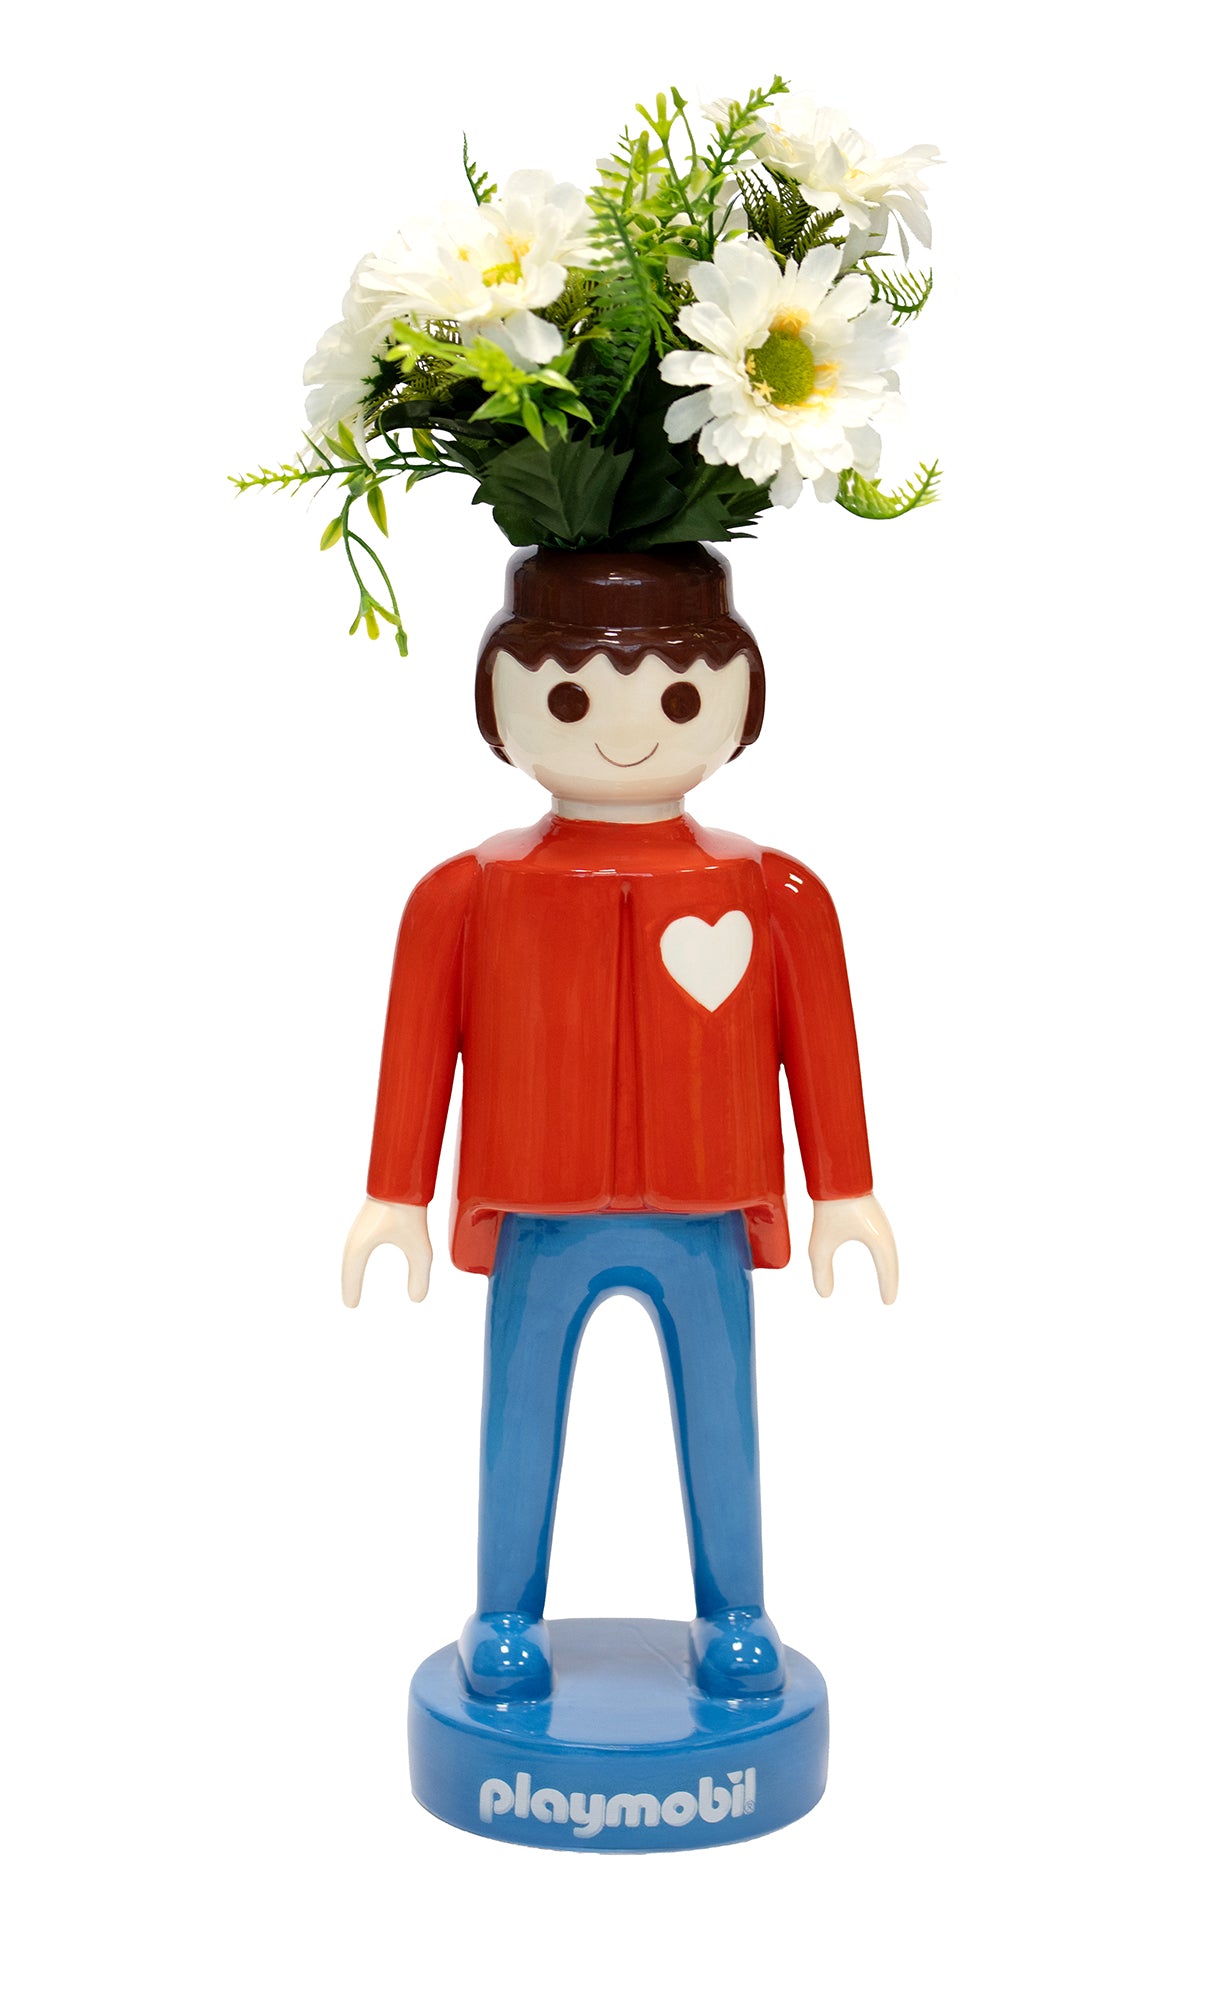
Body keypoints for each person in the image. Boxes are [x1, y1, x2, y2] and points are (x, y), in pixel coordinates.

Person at [341, 551, 897, 1702]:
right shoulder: (464, 892)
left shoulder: (774, 893)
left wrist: (843, 1186)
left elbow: (821, 1046)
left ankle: (734, 1606)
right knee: (518, 1411)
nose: (626, 729)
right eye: (568, 694)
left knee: (722, 1412)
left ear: (742, 699)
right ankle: (503, 1609)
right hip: (537, 1207)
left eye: (679, 694)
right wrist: (393, 1192)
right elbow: (416, 1048)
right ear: (498, 700)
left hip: (704, 1207)